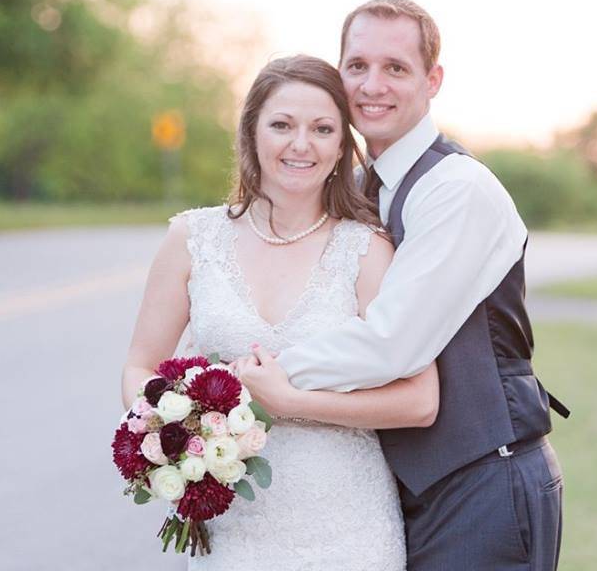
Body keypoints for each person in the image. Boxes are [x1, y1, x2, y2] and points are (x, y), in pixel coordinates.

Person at [236, 0, 567, 570]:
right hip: (399, 493)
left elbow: (394, 343)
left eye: (396, 68)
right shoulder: (361, 187)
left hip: (484, 481)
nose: (372, 85)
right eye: (357, 65)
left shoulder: (456, 189)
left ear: (432, 79)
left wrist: (252, 376)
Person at [122, 55, 441, 570]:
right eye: (281, 125)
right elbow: (141, 366)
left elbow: (420, 400)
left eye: (322, 129)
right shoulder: (191, 239)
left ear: (341, 146)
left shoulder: (365, 252)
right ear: (250, 134)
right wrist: (167, 439)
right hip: (232, 531)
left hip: (346, 528)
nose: (301, 144)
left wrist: (291, 402)